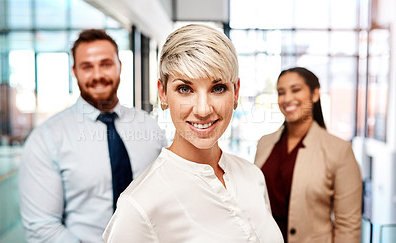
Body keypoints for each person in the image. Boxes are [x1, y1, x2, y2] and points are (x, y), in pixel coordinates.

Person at [103, 24, 284, 243]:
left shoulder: (252, 176)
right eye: (185, 89)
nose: (203, 109)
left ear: (236, 92)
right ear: (163, 93)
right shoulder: (140, 206)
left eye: (217, 88)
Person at [19, 29, 166, 243]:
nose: (98, 75)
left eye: (106, 63)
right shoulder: (46, 139)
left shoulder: (151, 128)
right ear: (75, 71)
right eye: (87, 66)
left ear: (119, 66)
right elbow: (42, 227)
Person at [254, 67, 362, 243]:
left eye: (296, 90)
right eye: (281, 92)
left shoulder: (339, 150)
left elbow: (348, 226)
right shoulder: (264, 144)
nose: (287, 98)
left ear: (315, 94)